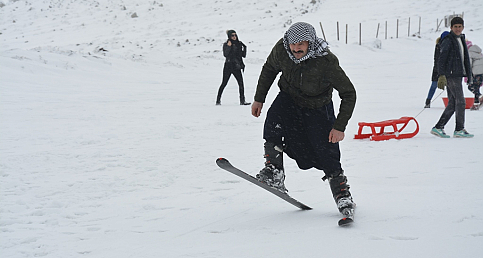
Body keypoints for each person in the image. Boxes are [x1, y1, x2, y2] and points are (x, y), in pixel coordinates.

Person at [251, 22, 357, 216]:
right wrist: (259, 98)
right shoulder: (282, 50)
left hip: (317, 108)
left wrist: (339, 126)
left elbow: (349, 93)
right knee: (273, 121)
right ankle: (274, 171)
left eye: (301, 43)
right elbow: (269, 69)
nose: (296, 48)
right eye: (293, 44)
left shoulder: (326, 61)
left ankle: (342, 195)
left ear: (310, 42)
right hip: (289, 99)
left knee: (327, 150)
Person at [431, 17, 474, 138]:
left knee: (453, 102)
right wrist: (442, 75)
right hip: (451, 75)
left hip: (458, 74)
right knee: (461, 102)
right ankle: (459, 129)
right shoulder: (448, 40)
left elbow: (464, 58)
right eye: (455, 27)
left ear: (463, 27)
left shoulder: (460, 39)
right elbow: (441, 58)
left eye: (460, 26)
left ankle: (438, 127)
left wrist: (468, 75)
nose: (458, 29)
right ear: (451, 28)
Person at [216, 30, 250, 105]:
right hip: (228, 66)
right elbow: (226, 54)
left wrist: (244, 47)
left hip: (236, 66)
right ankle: (218, 100)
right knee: (224, 83)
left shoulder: (239, 44)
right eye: (232, 35)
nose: (234, 37)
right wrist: (229, 46)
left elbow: (243, 55)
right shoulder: (226, 44)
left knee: (241, 83)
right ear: (229, 36)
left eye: (235, 35)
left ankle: (242, 101)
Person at [424, 31, 449, 108]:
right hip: (437, 69)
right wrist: (439, 70)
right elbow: (437, 59)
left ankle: (451, 102)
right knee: (434, 85)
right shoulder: (439, 46)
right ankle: (428, 101)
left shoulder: (448, 45)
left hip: (446, 69)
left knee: (449, 86)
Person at [465, 40, 483, 105]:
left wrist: (467, 74)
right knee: (476, 87)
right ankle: (476, 103)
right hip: (481, 72)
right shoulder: (477, 51)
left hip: (477, 72)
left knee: (471, 87)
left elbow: (469, 64)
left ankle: (480, 96)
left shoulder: (469, 52)